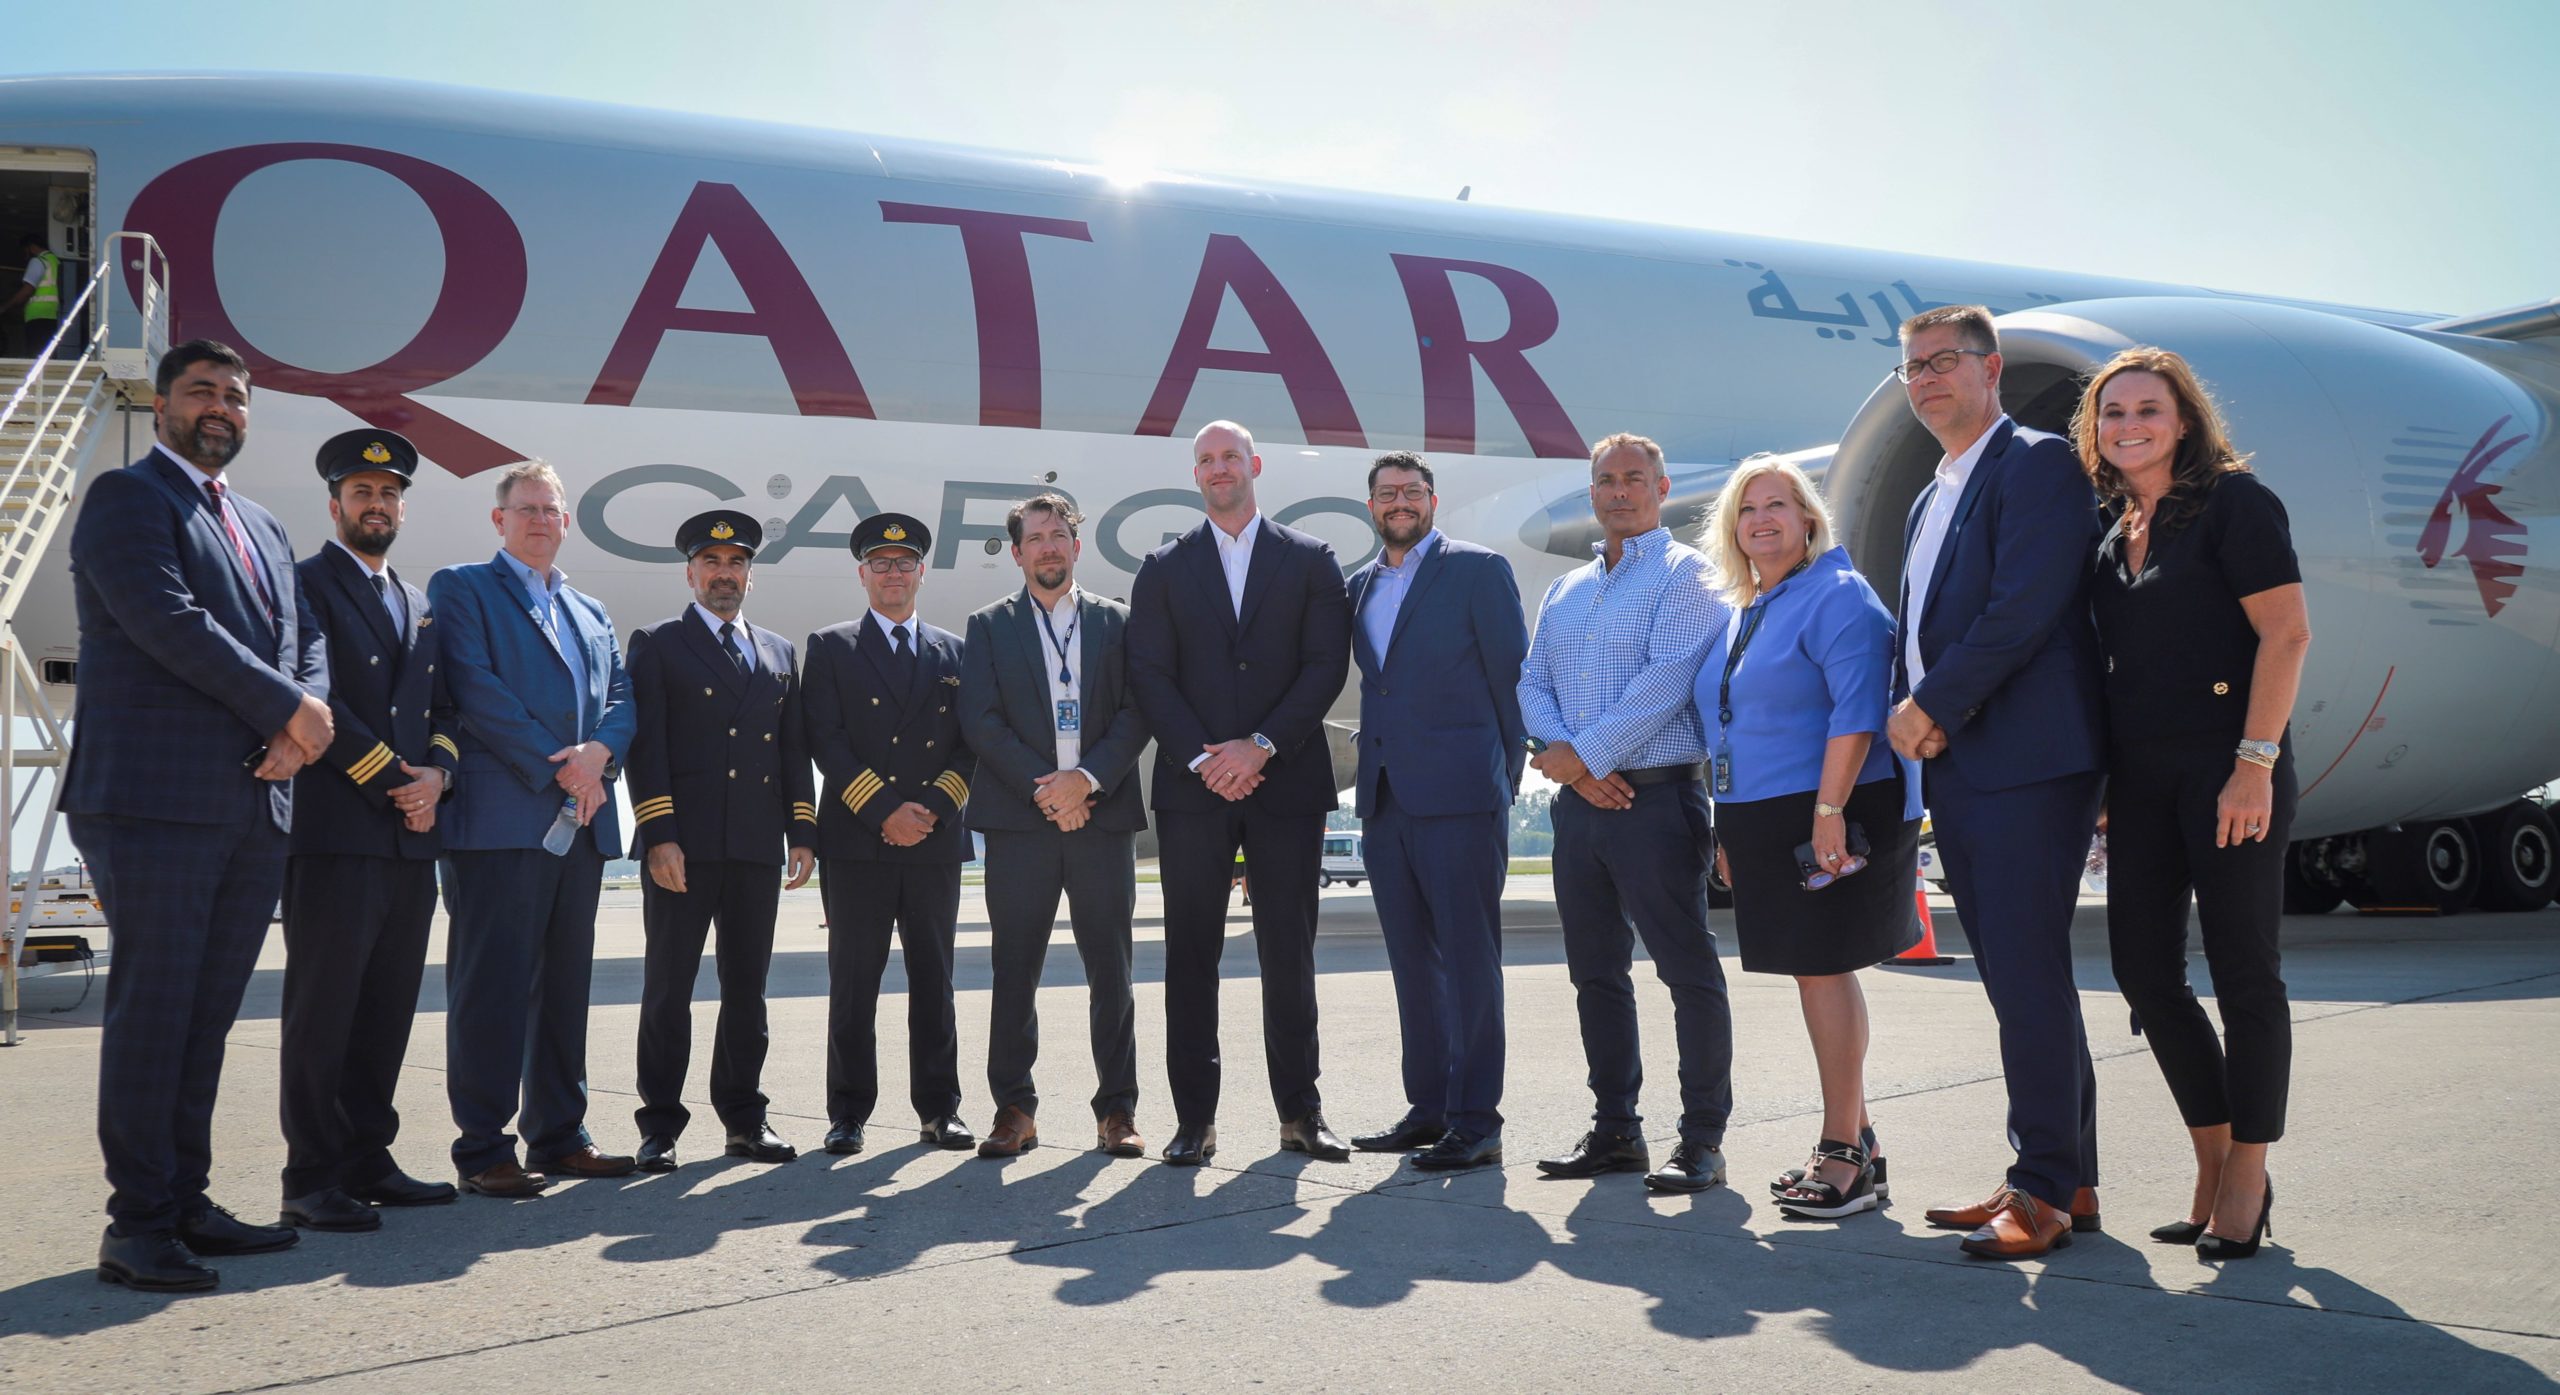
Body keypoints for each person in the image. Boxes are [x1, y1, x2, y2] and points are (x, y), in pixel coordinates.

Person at [66, 339, 331, 1291]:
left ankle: (185, 1199)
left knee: (206, 1016)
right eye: (201, 391)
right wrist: (287, 709)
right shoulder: (126, 499)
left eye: (236, 395)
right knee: (157, 1012)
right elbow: (168, 621)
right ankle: (136, 1224)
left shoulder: (261, 524)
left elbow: (304, 637)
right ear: (164, 404)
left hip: (254, 799)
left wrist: (304, 722)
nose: (220, 407)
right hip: (156, 802)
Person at [2075, 347, 2310, 1260]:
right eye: (2113, 411)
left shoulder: (2235, 505)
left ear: (2183, 422)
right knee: (2144, 972)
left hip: (2230, 766)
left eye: (2148, 409)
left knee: (2246, 972)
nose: (2128, 425)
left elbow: (2286, 634)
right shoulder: (2113, 531)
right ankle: (2211, 1160)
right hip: (2141, 781)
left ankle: (2247, 1172)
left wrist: (2254, 764)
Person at [1884, 305, 2108, 1260]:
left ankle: (2043, 1187)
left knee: (2024, 972)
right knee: (2023, 977)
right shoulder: (1931, 495)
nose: (1926, 378)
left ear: (1991, 368)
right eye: (1912, 367)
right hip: (1964, 761)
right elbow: (1918, 629)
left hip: (2025, 758)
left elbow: (2024, 608)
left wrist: (1930, 704)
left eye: (1944, 360)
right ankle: (2067, 1177)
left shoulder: (2037, 464)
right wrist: (1913, 710)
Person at [1691, 455, 1922, 1221]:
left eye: (1777, 505)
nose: (1761, 519)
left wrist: (1828, 812)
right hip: (1765, 810)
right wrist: (1729, 824)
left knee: (1824, 970)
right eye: (1747, 509)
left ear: (1808, 518)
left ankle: (1843, 1150)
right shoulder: (1751, 605)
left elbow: (1857, 712)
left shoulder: (1836, 593)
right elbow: (1733, 725)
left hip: (1831, 803)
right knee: (1811, 972)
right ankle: (1860, 1142)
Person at [1126, 420, 1354, 1167]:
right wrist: (1205, 758)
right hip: (1194, 791)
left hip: (1285, 782)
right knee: (1190, 957)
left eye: (1230, 456)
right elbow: (1149, 673)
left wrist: (1259, 745)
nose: (1219, 468)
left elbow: (1325, 665)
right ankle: (1194, 1121)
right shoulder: (1163, 568)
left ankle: (1301, 1114)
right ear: (1195, 474)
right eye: (1206, 460)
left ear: (1254, 465)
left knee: (1289, 955)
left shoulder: (1311, 559)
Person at [1518, 431, 1735, 1193]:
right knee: (1595, 973)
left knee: (1687, 969)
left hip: (1659, 799)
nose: (1618, 491)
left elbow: (1668, 680)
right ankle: (1616, 1130)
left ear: (1662, 488)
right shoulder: (1566, 590)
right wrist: (1575, 770)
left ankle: (1702, 1140)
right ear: (1592, 492)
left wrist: (1583, 756)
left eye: (1633, 478)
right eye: (1606, 480)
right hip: (1581, 807)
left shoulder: (1689, 574)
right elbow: (1531, 682)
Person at [429, 460, 639, 1197]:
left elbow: (621, 694)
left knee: (563, 988)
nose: (541, 521)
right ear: (500, 520)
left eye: (551, 510)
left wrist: (599, 754)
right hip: (502, 820)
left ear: (566, 522)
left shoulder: (590, 609)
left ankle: (559, 1134)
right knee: (492, 988)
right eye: (527, 510)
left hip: (580, 823)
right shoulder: (463, 588)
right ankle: (484, 1147)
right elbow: (475, 688)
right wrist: (564, 767)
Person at [277, 429, 464, 1233]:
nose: (377, 504)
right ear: (336, 505)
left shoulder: (418, 603)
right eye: (362, 492)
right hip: (336, 832)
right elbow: (316, 699)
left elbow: (445, 709)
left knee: (386, 1008)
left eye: (389, 494)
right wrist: (399, 780)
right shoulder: (306, 584)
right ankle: (310, 1174)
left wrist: (440, 775)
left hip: (409, 840)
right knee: (323, 1012)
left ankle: (366, 1158)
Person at [1342, 451, 1527, 1172]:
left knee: (1470, 962)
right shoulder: (1359, 586)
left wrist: (1502, 783)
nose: (1400, 502)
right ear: (1371, 506)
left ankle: (1477, 1120)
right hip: (1386, 799)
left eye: (1412, 492)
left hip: (1462, 798)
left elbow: (1512, 683)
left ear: (1432, 500)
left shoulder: (1478, 570)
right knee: (1412, 964)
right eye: (1388, 493)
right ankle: (1428, 1109)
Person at [958, 494, 1154, 1160]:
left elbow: (1136, 710)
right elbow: (980, 720)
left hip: (1102, 817)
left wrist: (1086, 780)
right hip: (1022, 822)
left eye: (1058, 535)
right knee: (1014, 970)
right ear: (1017, 553)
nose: (1048, 546)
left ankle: (1118, 1111)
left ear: (1076, 545)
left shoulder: (1119, 623)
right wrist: (1048, 789)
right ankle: (1014, 1109)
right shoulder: (989, 626)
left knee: (1113, 973)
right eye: (1036, 537)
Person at [625, 510, 818, 1173]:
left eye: (736, 563)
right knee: (669, 989)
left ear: (750, 576)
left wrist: (802, 830)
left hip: (754, 845)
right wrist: (659, 835)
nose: (724, 574)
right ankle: (659, 1125)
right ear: (691, 573)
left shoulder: (778, 651)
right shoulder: (659, 643)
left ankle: (744, 1119)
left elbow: (792, 749)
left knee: (746, 990)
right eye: (711, 562)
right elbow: (647, 748)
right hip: (685, 847)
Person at [803, 513, 978, 1156]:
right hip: (857, 842)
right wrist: (884, 811)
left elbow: (970, 745)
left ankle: (940, 1109)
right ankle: (848, 1112)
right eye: (881, 564)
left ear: (921, 572)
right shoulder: (831, 646)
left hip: (933, 840)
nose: (894, 573)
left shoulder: (955, 652)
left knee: (935, 980)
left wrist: (928, 809)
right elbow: (826, 739)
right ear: (863, 575)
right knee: (854, 983)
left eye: (904, 564)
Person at [5, 230, 60, 357]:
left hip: (38, 316)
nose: (25, 255)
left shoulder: (38, 261)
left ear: (31, 247)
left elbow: (27, 290)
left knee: (36, 354)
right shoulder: (55, 261)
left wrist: (6, 306)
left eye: (25, 250)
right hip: (53, 315)